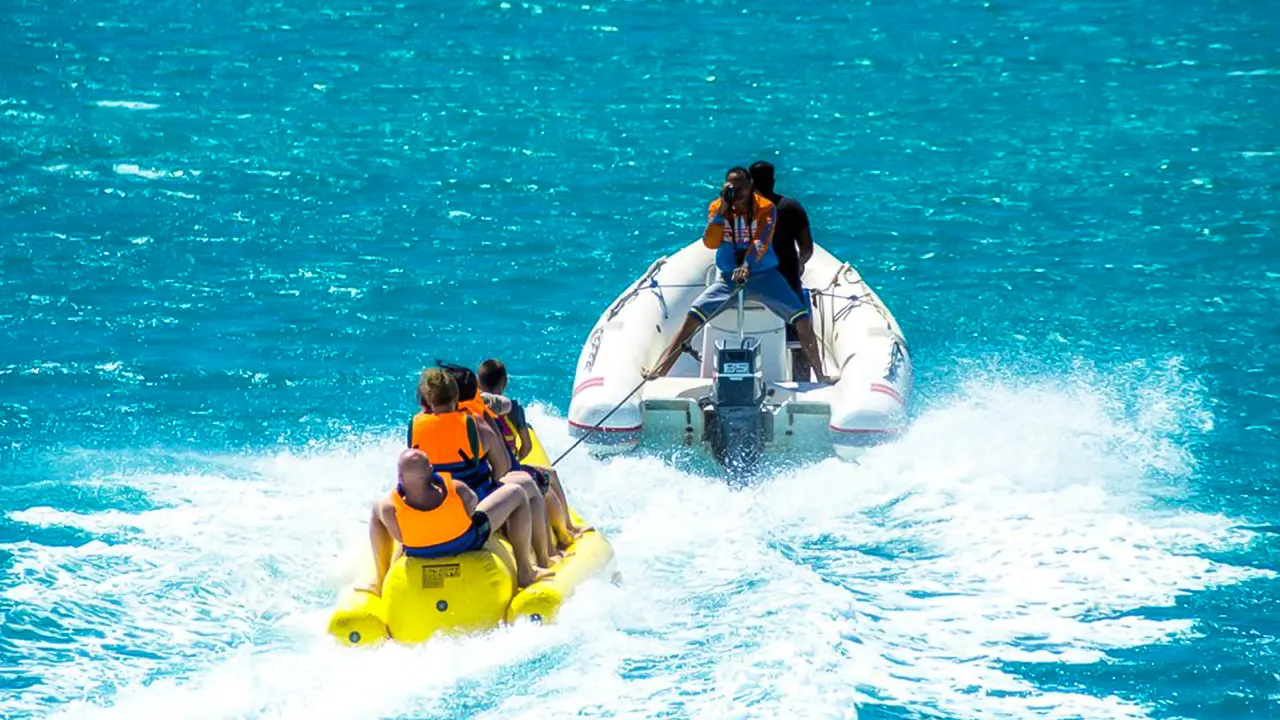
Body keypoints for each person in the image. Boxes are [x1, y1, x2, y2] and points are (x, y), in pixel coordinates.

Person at [645, 166, 831, 383]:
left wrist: (748, 265)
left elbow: (761, 241)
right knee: (692, 317)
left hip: (763, 275)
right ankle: (660, 370)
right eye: (731, 188)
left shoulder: (765, 208)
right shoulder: (718, 208)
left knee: (801, 319)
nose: (736, 193)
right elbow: (710, 242)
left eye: (740, 188)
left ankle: (821, 375)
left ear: (750, 186)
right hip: (728, 278)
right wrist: (721, 212)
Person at [409, 368, 558, 567]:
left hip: (433, 503)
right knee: (524, 487)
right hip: (475, 502)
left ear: (427, 399)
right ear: (456, 396)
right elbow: (502, 467)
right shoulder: (474, 424)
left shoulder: (415, 427)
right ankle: (538, 562)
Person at [361, 449, 553, 595]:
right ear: (430, 470)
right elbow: (472, 505)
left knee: (374, 512)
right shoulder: (455, 488)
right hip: (465, 542)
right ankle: (526, 571)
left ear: (399, 476)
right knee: (517, 493)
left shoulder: (389, 508)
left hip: (419, 550)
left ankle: (380, 580)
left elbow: (399, 537)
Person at [478, 358, 589, 542]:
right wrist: (516, 458)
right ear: (505, 383)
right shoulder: (513, 410)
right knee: (550, 474)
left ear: (478, 382)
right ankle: (568, 527)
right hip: (509, 470)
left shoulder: (474, 411)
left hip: (486, 472)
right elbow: (527, 446)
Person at [749, 160, 815, 379]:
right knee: (800, 328)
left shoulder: (742, 209)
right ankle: (803, 378)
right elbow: (806, 248)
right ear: (773, 181)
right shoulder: (790, 206)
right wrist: (800, 265)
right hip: (787, 278)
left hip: (752, 279)